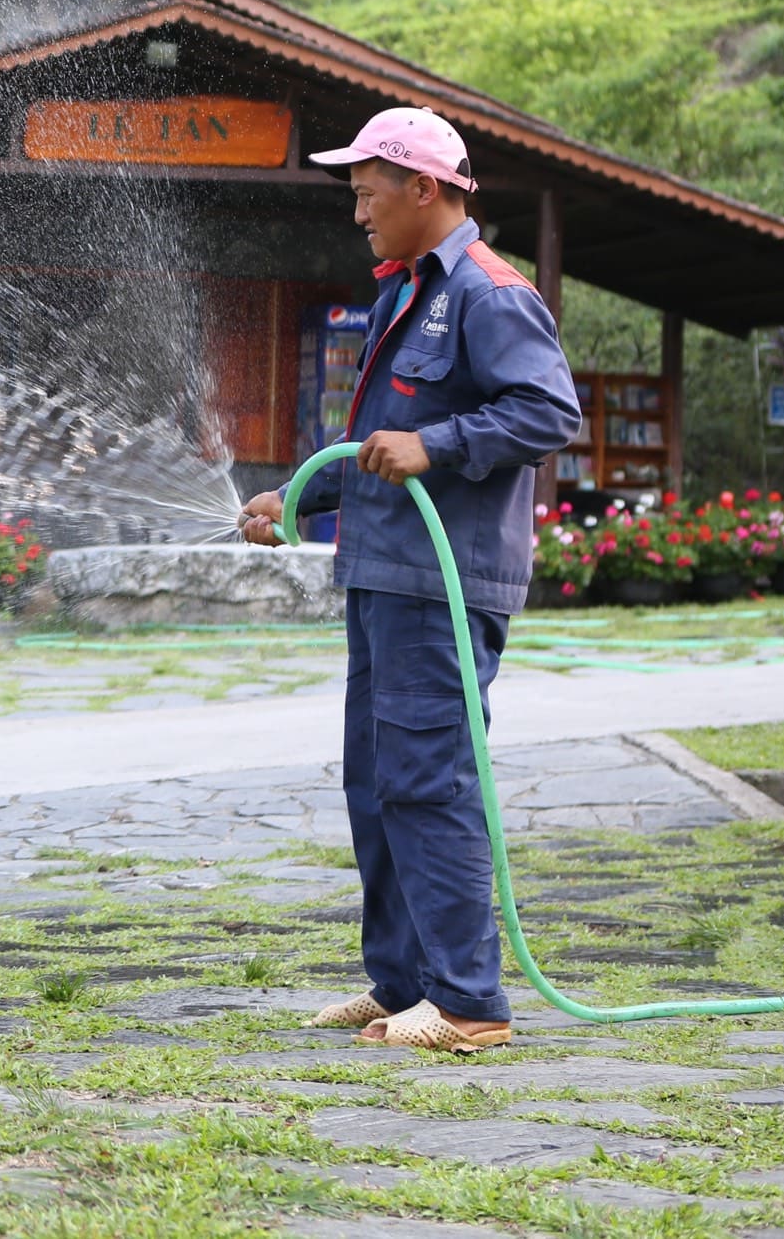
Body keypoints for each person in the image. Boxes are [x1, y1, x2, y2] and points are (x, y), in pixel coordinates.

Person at [240, 106, 580, 1053]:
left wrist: (438, 444)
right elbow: (380, 449)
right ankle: (402, 986)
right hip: (384, 573)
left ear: (421, 186)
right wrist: (297, 501)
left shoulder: (487, 292)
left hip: (445, 583)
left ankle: (470, 1003)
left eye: (365, 192)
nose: (358, 212)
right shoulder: (404, 294)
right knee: (377, 781)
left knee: (430, 778)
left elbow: (549, 414)